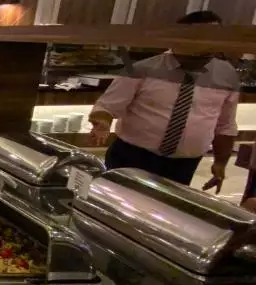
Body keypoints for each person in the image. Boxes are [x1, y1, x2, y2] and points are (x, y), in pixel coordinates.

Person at [88, 10, 238, 190]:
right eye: (203, 36)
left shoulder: (227, 74)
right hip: (133, 156)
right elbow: (107, 106)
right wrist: (102, 124)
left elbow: (225, 125)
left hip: (184, 164)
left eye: (216, 37)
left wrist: (220, 162)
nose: (210, 44)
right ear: (180, 37)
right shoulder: (142, 69)